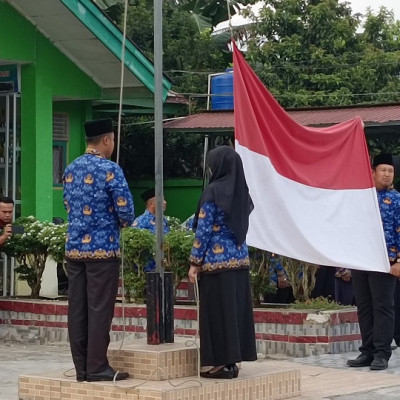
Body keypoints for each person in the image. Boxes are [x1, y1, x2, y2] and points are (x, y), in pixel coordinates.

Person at [63, 118, 135, 382]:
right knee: (99, 310)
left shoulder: (70, 169)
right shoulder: (110, 170)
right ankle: (97, 367)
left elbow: (67, 206)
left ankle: (81, 368)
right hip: (103, 252)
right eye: (113, 140)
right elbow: (126, 213)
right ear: (107, 140)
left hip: (74, 251)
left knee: (77, 310)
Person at [188, 145, 257, 379]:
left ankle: (219, 364)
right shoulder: (242, 192)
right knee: (235, 312)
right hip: (239, 262)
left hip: (216, 264)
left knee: (217, 314)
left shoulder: (213, 191)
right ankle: (233, 361)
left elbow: (204, 230)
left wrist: (194, 262)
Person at [347, 154, 400, 371]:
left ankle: (382, 353)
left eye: (390, 171)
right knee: (364, 307)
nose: (387, 174)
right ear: (373, 172)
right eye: (383, 170)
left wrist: (398, 261)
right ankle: (367, 352)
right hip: (361, 260)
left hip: (385, 261)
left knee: (383, 307)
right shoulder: (361, 197)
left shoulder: (397, 199)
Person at [132, 188, 170, 271]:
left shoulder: (163, 220)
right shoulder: (141, 221)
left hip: (163, 267)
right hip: (147, 269)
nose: (165, 202)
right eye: (162, 200)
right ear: (152, 203)